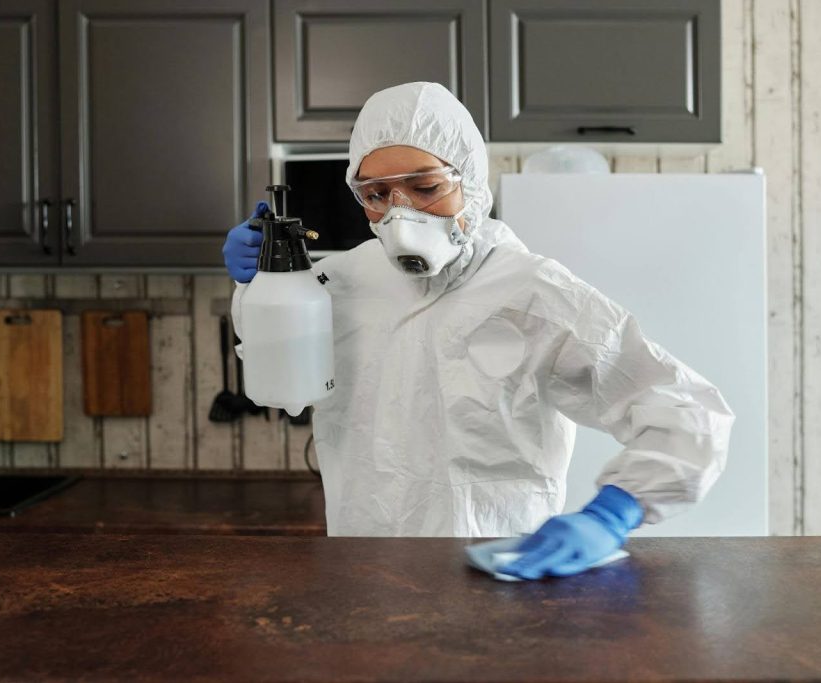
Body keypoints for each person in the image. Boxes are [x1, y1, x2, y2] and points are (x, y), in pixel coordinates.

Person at [224, 82, 734, 581]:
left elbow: (689, 411)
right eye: (376, 194)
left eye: (425, 188)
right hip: (366, 572)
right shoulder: (343, 281)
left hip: (500, 572)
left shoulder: (533, 293)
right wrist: (261, 285)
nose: (399, 215)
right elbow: (279, 368)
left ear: (468, 177)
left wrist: (613, 514)